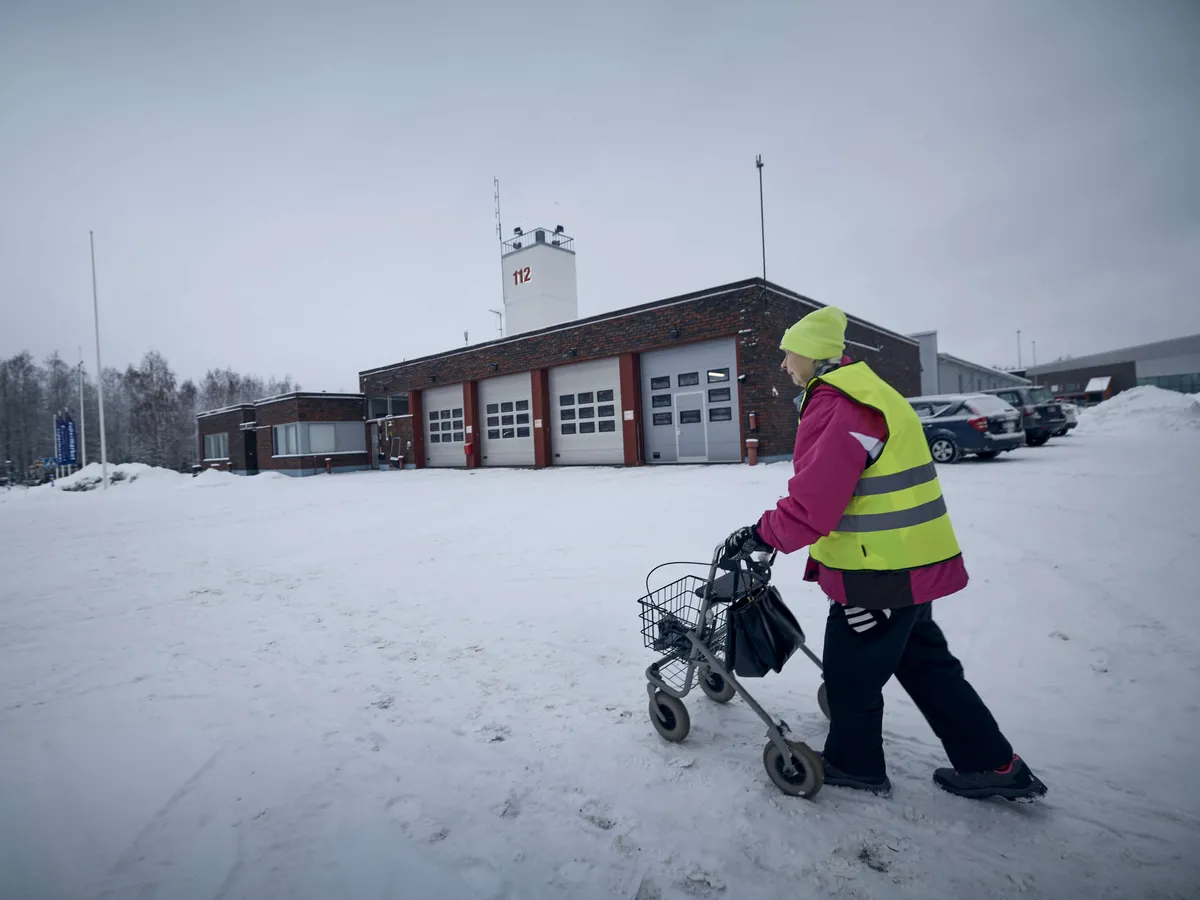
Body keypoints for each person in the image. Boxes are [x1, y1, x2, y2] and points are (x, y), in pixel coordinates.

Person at [720, 305, 1047, 801]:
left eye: (788, 354)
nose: (785, 365)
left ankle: (855, 766)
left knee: (850, 672)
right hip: (910, 563)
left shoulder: (838, 402)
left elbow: (815, 502)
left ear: (811, 355)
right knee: (927, 666)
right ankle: (992, 762)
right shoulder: (873, 392)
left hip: (877, 572)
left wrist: (761, 534)